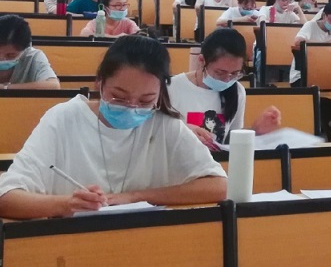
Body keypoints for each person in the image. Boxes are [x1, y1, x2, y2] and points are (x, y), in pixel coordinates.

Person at [0, 36, 227, 219]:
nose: (132, 108)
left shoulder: (164, 126)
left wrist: (135, 196)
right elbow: (7, 198)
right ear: (100, 82)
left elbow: (219, 186)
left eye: (146, 100)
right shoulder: (64, 119)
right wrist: (67, 204)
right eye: (119, 97)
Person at [168, 28, 281, 149]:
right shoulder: (171, 87)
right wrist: (182, 131)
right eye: (220, 72)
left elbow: (229, 142)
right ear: (202, 61)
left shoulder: (237, 91)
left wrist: (255, 131)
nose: (227, 79)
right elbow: (157, 135)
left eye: (235, 73)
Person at [0, 15, 59, 89]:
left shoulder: (33, 56)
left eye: (10, 55)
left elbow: (53, 86)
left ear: (24, 49)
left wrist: (5, 88)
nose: (1, 58)